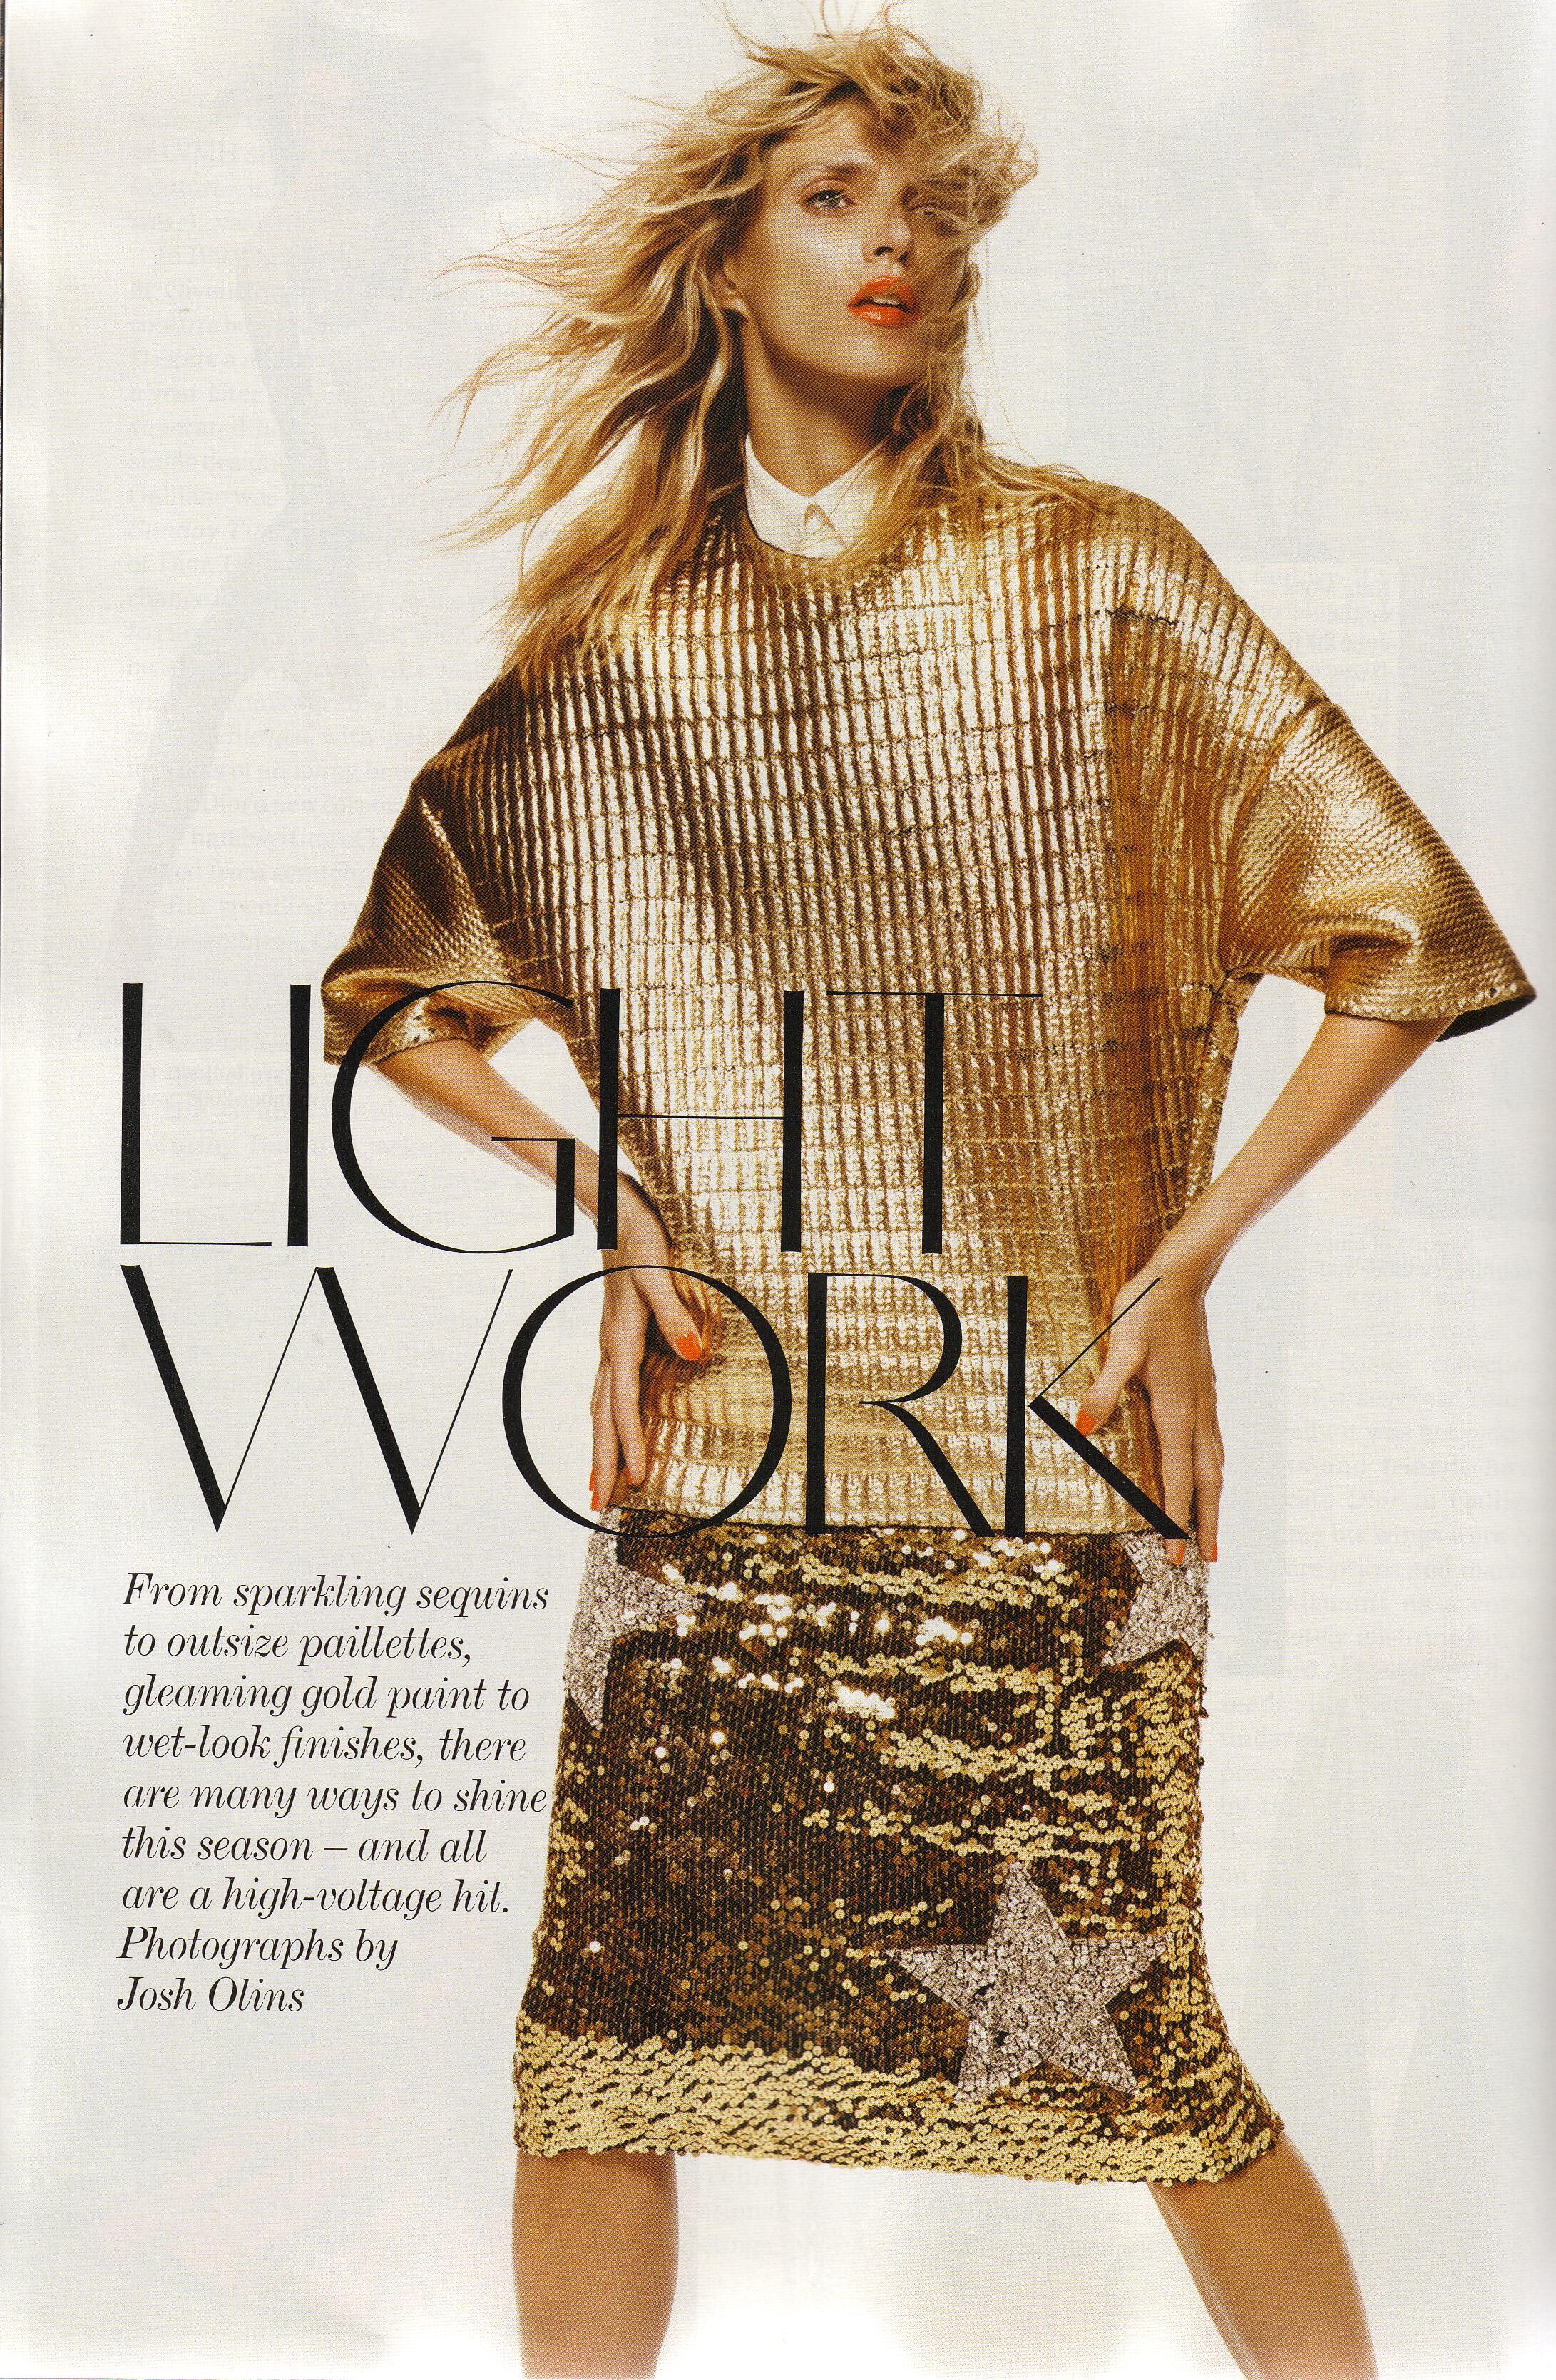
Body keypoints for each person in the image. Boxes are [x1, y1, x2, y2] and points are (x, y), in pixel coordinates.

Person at [319, 22, 1533, 2378]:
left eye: (933, 214)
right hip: (716, 1481)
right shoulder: (614, 656)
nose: (900, 245)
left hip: (1044, 1467)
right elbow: (391, 997)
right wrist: (608, 1193)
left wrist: (1191, 1252)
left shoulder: (1101, 581)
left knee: (1157, 2068)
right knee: (596, 2059)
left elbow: (1405, 935)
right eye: (839, 198)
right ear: (727, 257)